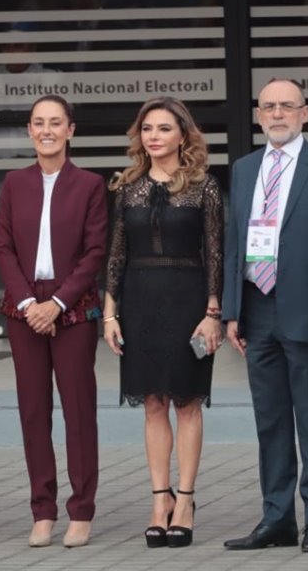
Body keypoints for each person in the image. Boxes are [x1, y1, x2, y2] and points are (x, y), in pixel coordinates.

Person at [221, 79, 308, 553]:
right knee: (270, 421)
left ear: (305, 113)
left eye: (287, 107)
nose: (277, 114)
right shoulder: (244, 168)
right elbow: (236, 240)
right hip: (257, 308)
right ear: (258, 114)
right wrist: (233, 310)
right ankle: (276, 517)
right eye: (269, 106)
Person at [103, 96, 223, 549]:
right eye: (148, 129)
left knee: (187, 401)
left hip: (188, 301)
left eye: (164, 129)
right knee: (153, 402)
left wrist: (212, 314)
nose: (154, 136)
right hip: (138, 302)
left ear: (182, 135)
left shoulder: (203, 186)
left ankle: (187, 500)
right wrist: (110, 314)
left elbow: (215, 253)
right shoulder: (127, 186)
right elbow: (116, 255)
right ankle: (159, 500)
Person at [0, 95, 107, 548]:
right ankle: (43, 510)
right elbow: (2, 247)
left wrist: (57, 302)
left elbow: (95, 251)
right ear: (29, 131)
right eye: (38, 123)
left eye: (55, 123)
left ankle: (81, 510)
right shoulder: (14, 183)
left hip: (72, 307)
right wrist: (27, 304)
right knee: (33, 412)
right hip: (24, 310)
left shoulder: (90, 184)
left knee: (78, 411)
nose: (47, 130)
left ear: (70, 130)